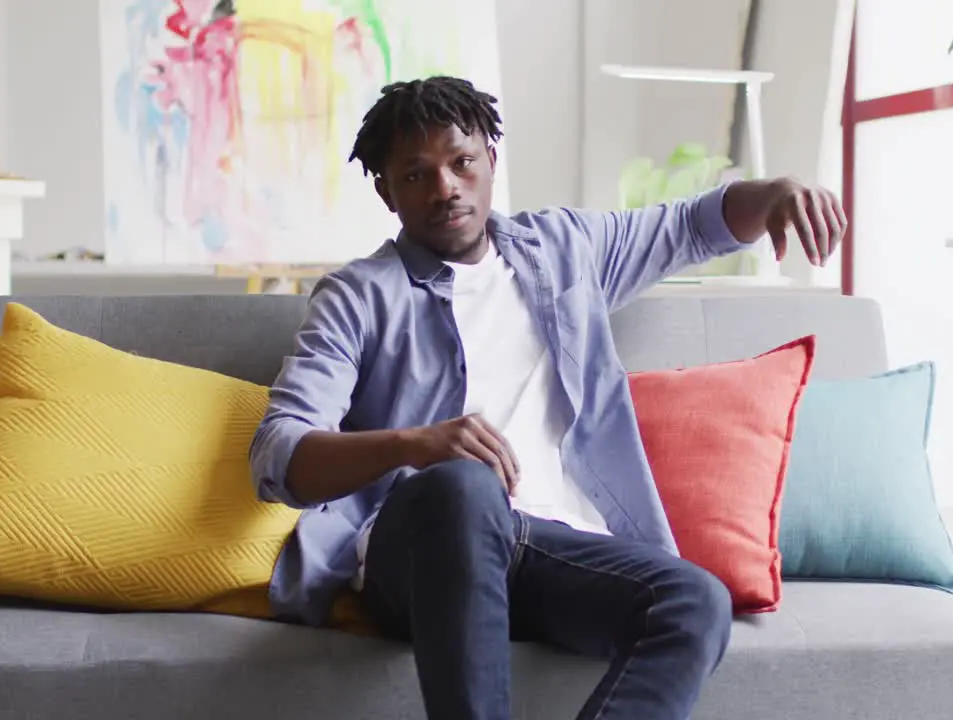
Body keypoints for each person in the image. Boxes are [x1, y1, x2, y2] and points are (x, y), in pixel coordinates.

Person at [250, 75, 845, 720]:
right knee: (464, 484)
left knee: (693, 602)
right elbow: (279, 455)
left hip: (556, 551)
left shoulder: (564, 251)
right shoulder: (359, 296)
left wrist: (777, 192)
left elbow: (693, 226)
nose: (446, 186)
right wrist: (416, 445)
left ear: (491, 161)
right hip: (424, 556)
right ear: (386, 191)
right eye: (417, 175)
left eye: (462, 162)